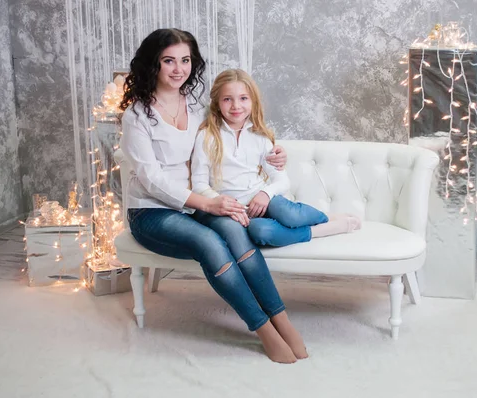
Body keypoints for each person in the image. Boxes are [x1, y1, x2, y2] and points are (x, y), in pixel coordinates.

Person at [118, 28, 305, 363]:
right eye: (168, 61)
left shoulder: (196, 106)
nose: (178, 69)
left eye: (185, 60)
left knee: (235, 230)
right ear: (153, 64)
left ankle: (282, 320)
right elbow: (150, 178)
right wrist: (207, 202)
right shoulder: (136, 116)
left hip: (196, 203)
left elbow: (241, 129)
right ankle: (263, 329)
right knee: (210, 243)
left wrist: (276, 155)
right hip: (152, 211)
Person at [191, 68, 361, 247]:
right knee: (261, 232)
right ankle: (320, 230)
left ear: (253, 101)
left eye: (243, 98)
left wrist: (266, 193)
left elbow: (281, 180)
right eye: (227, 99)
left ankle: (327, 219)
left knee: (290, 214)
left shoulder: (260, 136)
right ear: (217, 103)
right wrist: (221, 203)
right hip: (233, 209)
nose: (236, 106)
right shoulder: (207, 136)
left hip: (264, 200)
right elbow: (199, 183)